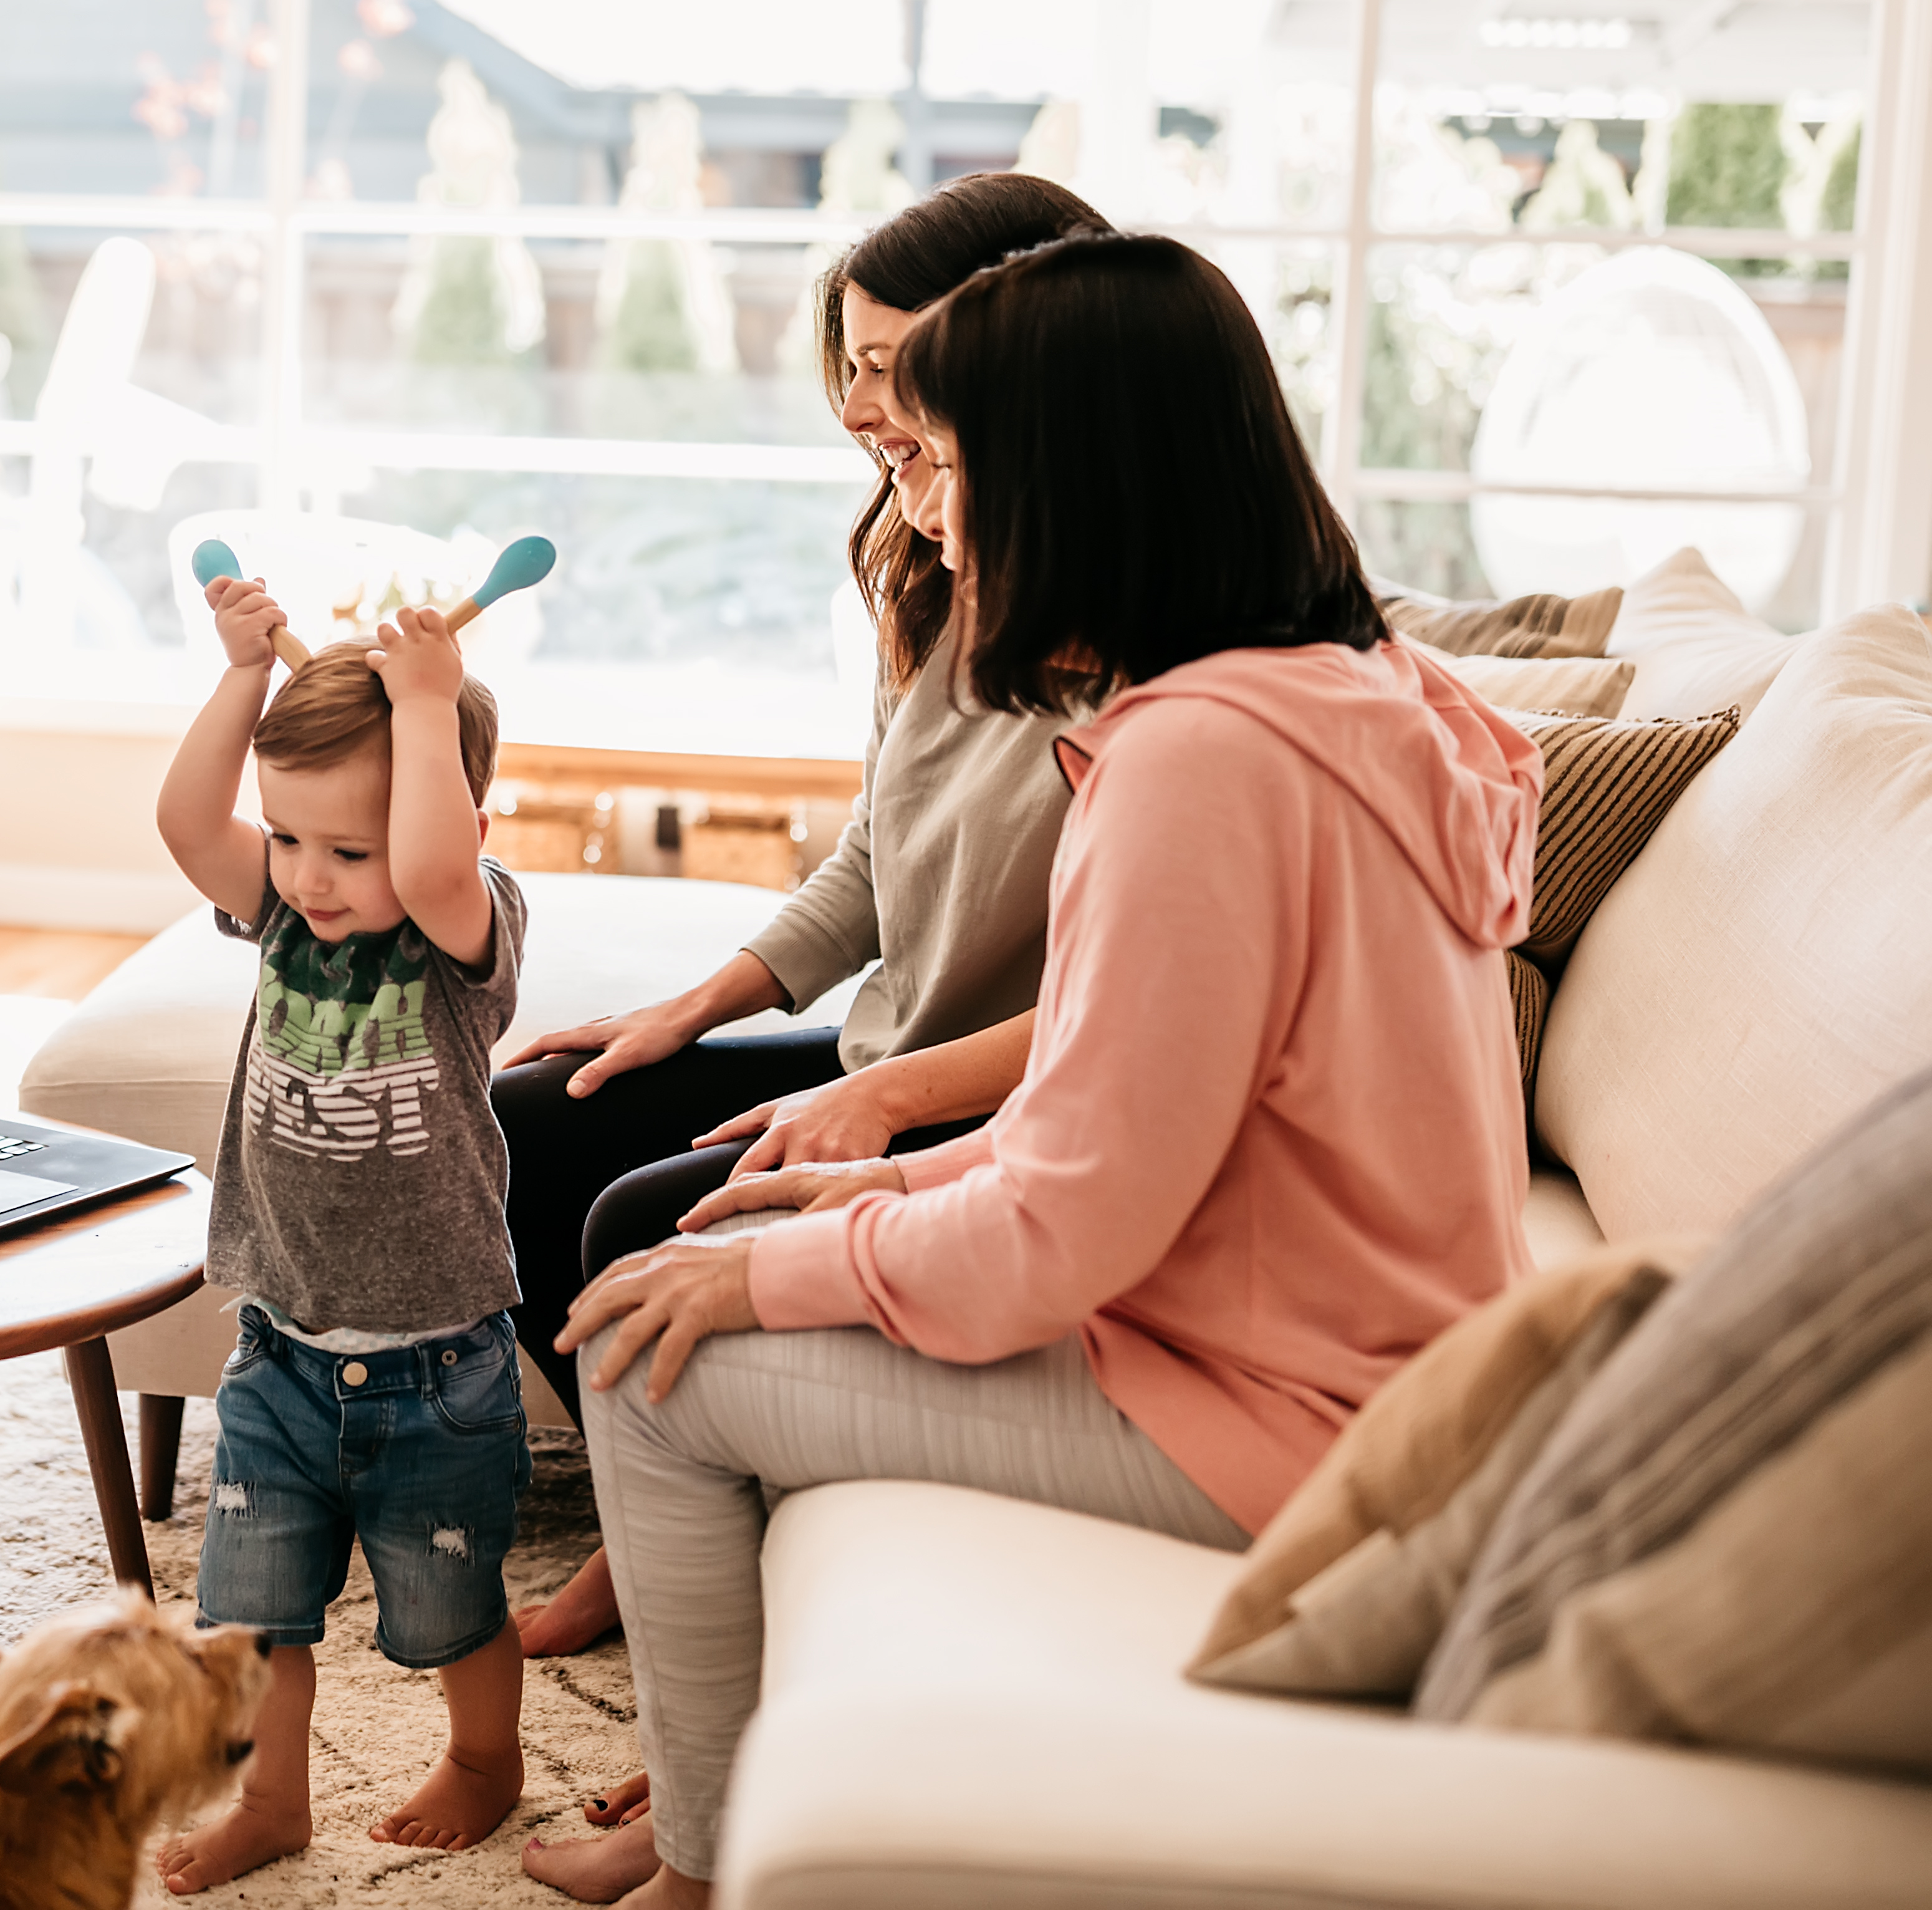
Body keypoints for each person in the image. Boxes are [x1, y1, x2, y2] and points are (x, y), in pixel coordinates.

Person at [539, 231, 1543, 1909]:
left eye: (945, 463)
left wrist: (790, 1262)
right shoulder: (1353, 696)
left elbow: (1063, 1236)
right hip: (1352, 1361)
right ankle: (720, 1772)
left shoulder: (1200, 764)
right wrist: (876, 1182)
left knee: (656, 1352)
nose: (925, 514)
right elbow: (1120, 1110)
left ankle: (704, 1861)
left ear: (1074, 477)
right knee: (712, 1252)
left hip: (1286, 1418)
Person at [506, 173, 1109, 1671]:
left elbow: (1124, 1000)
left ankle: (678, 1546)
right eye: (850, 367)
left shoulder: (1145, 627)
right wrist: (689, 1007)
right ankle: (651, 1513)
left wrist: (872, 1098)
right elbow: (871, 853)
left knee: (641, 1219)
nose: (863, 410)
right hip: (880, 1054)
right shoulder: (927, 560)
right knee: (531, 1119)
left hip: (998, 1097)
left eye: (899, 376)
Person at [150, 569, 534, 1894]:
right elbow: (189, 821)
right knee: (252, 1617)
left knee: (450, 1611)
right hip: (278, 1344)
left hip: (438, 1367)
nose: (306, 878)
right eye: (293, 839)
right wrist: (240, 675)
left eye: (345, 850)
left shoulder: (458, 930)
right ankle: (273, 1798)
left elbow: (428, 859)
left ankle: (486, 1762)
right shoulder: (275, 903)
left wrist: (425, 705)